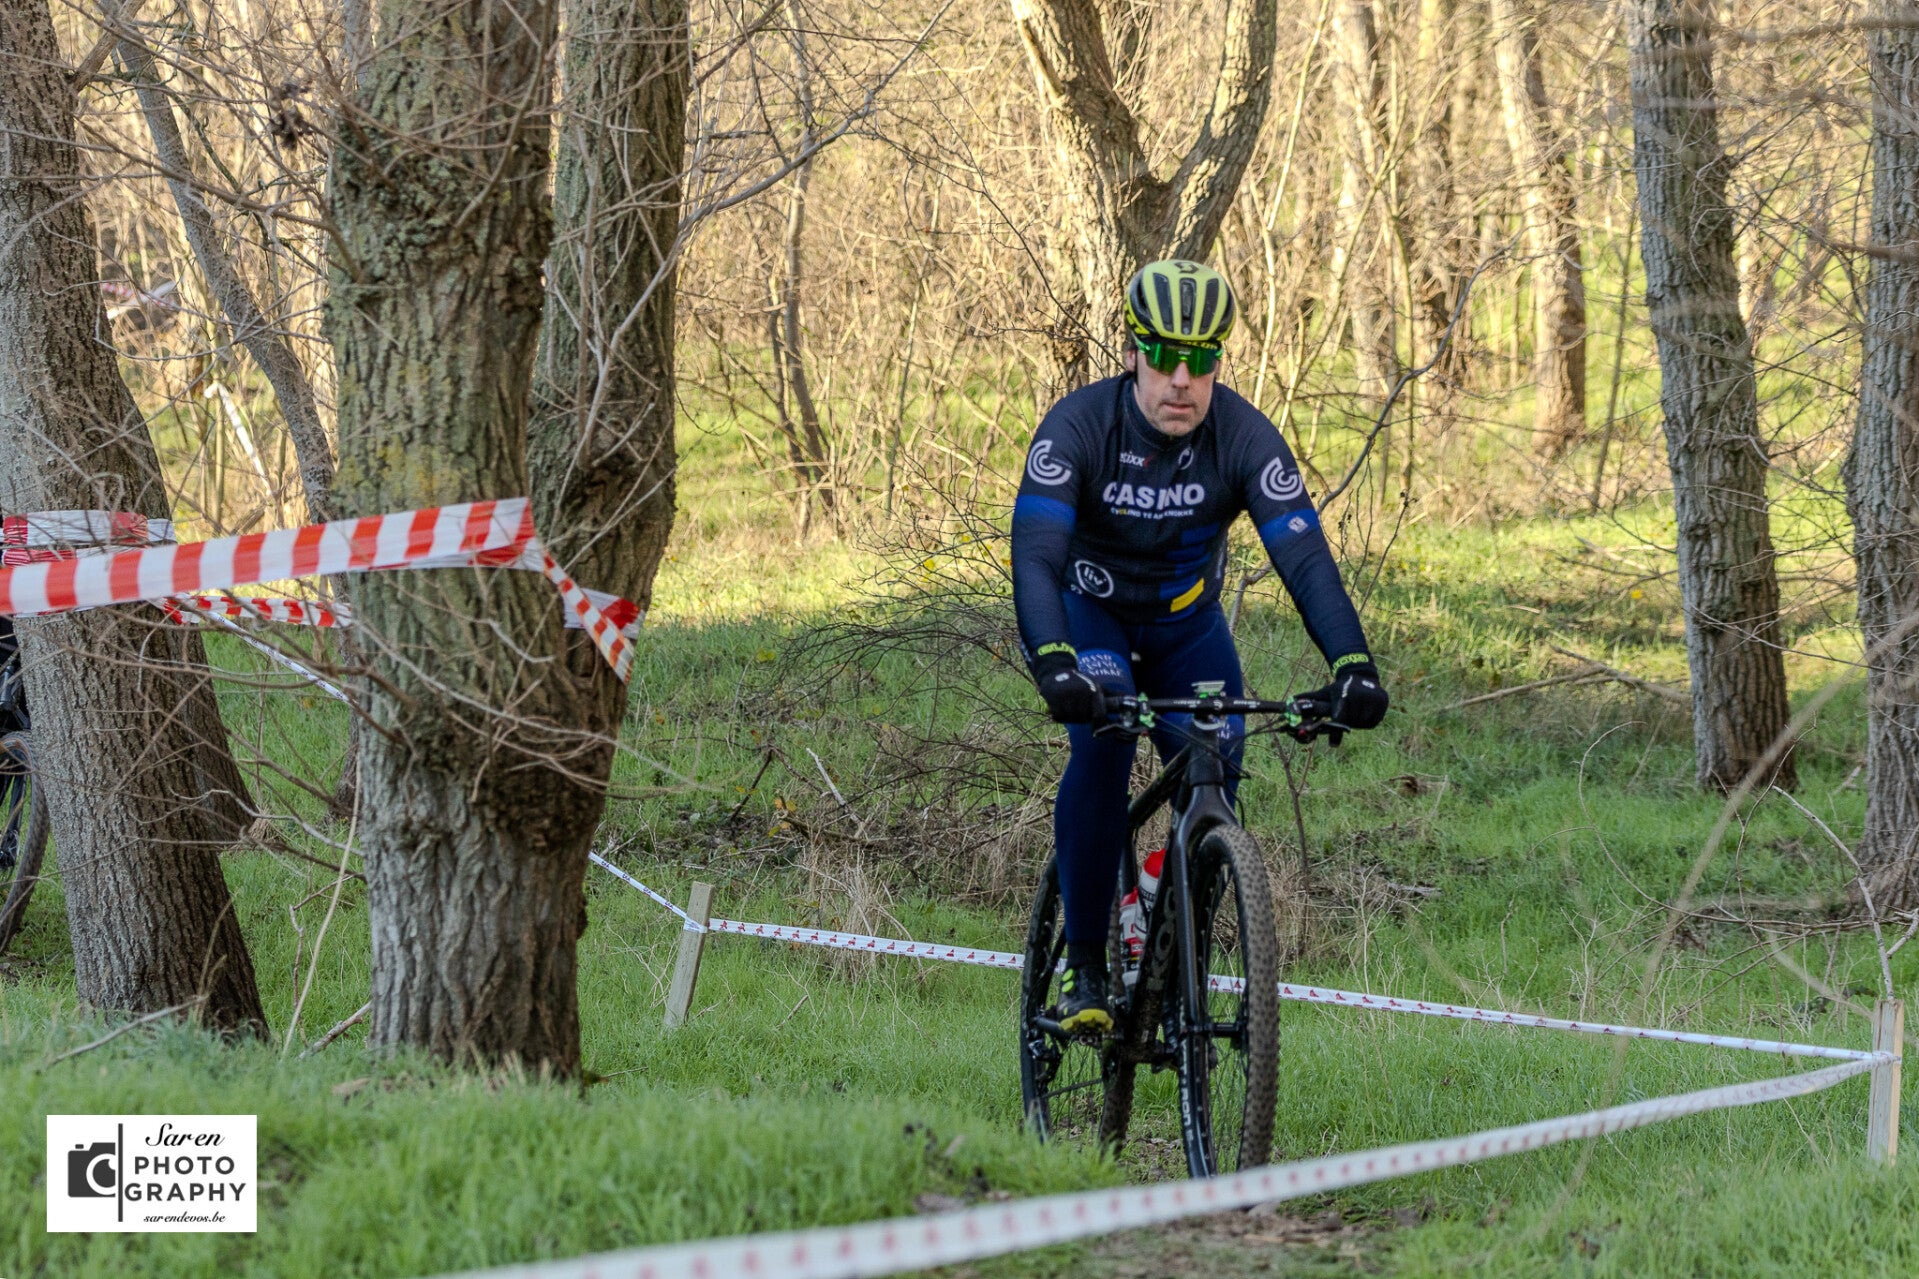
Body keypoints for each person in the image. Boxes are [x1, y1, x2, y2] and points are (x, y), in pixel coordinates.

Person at [1010, 259, 1388, 1033]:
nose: (1181, 379)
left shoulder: (1243, 435)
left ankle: (1167, 891)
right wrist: (1052, 660)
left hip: (1186, 627)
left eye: (1201, 358)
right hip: (1091, 615)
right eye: (1163, 356)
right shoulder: (1078, 426)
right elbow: (1036, 553)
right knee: (1104, 741)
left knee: (1220, 753)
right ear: (1131, 352)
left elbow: (1303, 555)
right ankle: (1084, 965)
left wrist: (1352, 663)